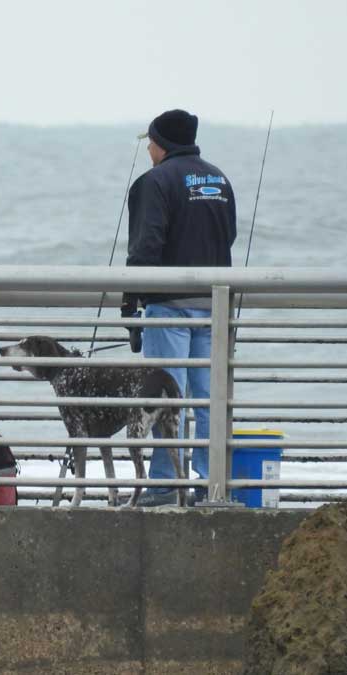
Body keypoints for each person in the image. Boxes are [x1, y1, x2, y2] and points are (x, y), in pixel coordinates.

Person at [121, 109, 237, 506]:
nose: (148, 149)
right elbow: (230, 235)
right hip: (213, 308)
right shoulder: (219, 179)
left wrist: (130, 298)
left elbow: (146, 246)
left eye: (149, 142)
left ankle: (167, 484)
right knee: (208, 399)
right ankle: (211, 483)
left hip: (169, 307)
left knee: (166, 398)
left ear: (161, 143)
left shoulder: (155, 182)